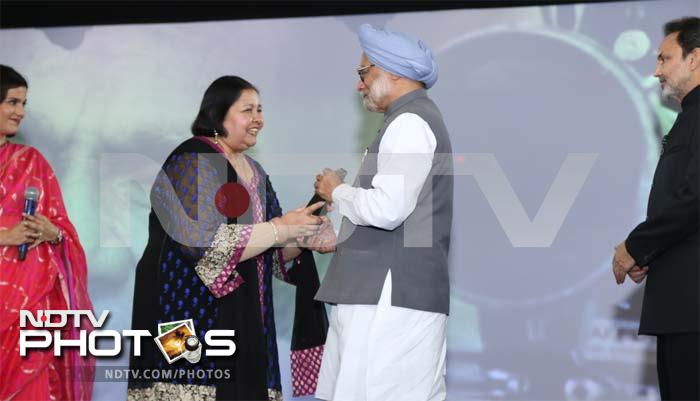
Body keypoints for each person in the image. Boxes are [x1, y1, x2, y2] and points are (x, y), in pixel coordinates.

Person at [127, 76, 328, 401]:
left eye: (260, 109)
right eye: (247, 109)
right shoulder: (191, 160)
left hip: (247, 319)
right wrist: (282, 227)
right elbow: (207, 246)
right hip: (182, 315)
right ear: (219, 114)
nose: (258, 119)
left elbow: (273, 256)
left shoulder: (255, 171)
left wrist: (304, 234)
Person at [312, 24, 453, 401]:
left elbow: (389, 210)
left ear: (394, 73)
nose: (360, 85)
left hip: (388, 298)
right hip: (383, 293)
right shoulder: (406, 120)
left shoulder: (409, 124)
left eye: (364, 73)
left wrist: (336, 191)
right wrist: (341, 237)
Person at [612, 17, 699, 401]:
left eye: (665, 59)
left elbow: (694, 198)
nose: (656, 70)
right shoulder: (690, 117)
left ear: (695, 58)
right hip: (683, 306)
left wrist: (637, 245)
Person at [0, 65, 95, 400]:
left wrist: (53, 233)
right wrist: (5, 236)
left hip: (30, 305)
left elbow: (64, 230)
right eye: (12, 102)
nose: (21, 112)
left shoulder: (32, 162)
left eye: (23, 103)